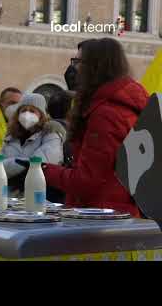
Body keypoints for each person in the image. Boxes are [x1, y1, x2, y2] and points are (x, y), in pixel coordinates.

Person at [43, 38, 148, 217]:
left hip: (100, 217)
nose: (73, 69)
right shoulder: (120, 106)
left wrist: (44, 170)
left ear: (95, 66)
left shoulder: (106, 114)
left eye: (78, 62)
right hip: (115, 212)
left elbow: (89, 181)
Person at [1, 93, 65, 197]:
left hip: (39, 196)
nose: (27, 114)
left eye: (32, 111)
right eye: (23, 110)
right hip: (10, 197)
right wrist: (26, 163)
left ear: (41, 114)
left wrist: (13, 164)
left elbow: (43, 161)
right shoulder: (11, 136)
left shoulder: (50, 133)